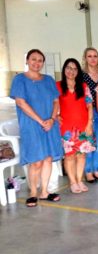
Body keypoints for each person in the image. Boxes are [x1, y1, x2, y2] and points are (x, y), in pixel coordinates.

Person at [10, 49, 64, 207]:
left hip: (50, 124)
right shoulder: (19, 79)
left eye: (40, 60)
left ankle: (45, 191)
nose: (36, 63)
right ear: (27, 60)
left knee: (48, 158)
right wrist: (42, 121)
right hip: (32, 125)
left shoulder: (48, 79)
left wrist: (52, 119)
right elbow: (21, 102)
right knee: (36, 161)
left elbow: (55, 101)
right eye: (33, 59)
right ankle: (33, 192)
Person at [57, 58, 95, 194]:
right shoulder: (58, 86)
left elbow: (90, 105)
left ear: (78, 71)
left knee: (81, 155)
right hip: (66, 128)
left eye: (74, 68)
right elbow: (52, 104)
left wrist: (90, 123)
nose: (71, 71)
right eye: (68, 68)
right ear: (64, 69)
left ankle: (80, 180)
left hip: (83, 126)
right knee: (69, 156)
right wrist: (55, 116)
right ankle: (73, 182)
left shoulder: (84, 86)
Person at [82, 47, 98, 183]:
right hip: (87, 112)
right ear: (85, 58)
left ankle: (96, 169)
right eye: (90, 56)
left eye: (95, 56)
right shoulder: (82, 75)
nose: (93, 59)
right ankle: (88, 171)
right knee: (88, 142)